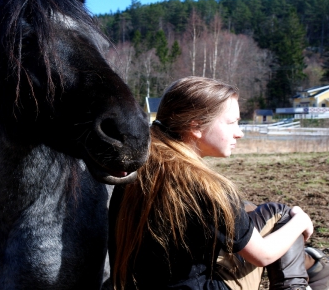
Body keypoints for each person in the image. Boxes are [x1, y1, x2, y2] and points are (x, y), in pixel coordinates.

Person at [108, 76, 329, 290]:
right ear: (196, 127)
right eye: (232, 123)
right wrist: (301, 220)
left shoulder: (137, 169)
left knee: (246, 208)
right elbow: (264, 255)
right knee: (280, 213)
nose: (239, 133)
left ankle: (311, 264)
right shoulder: (206, 187)